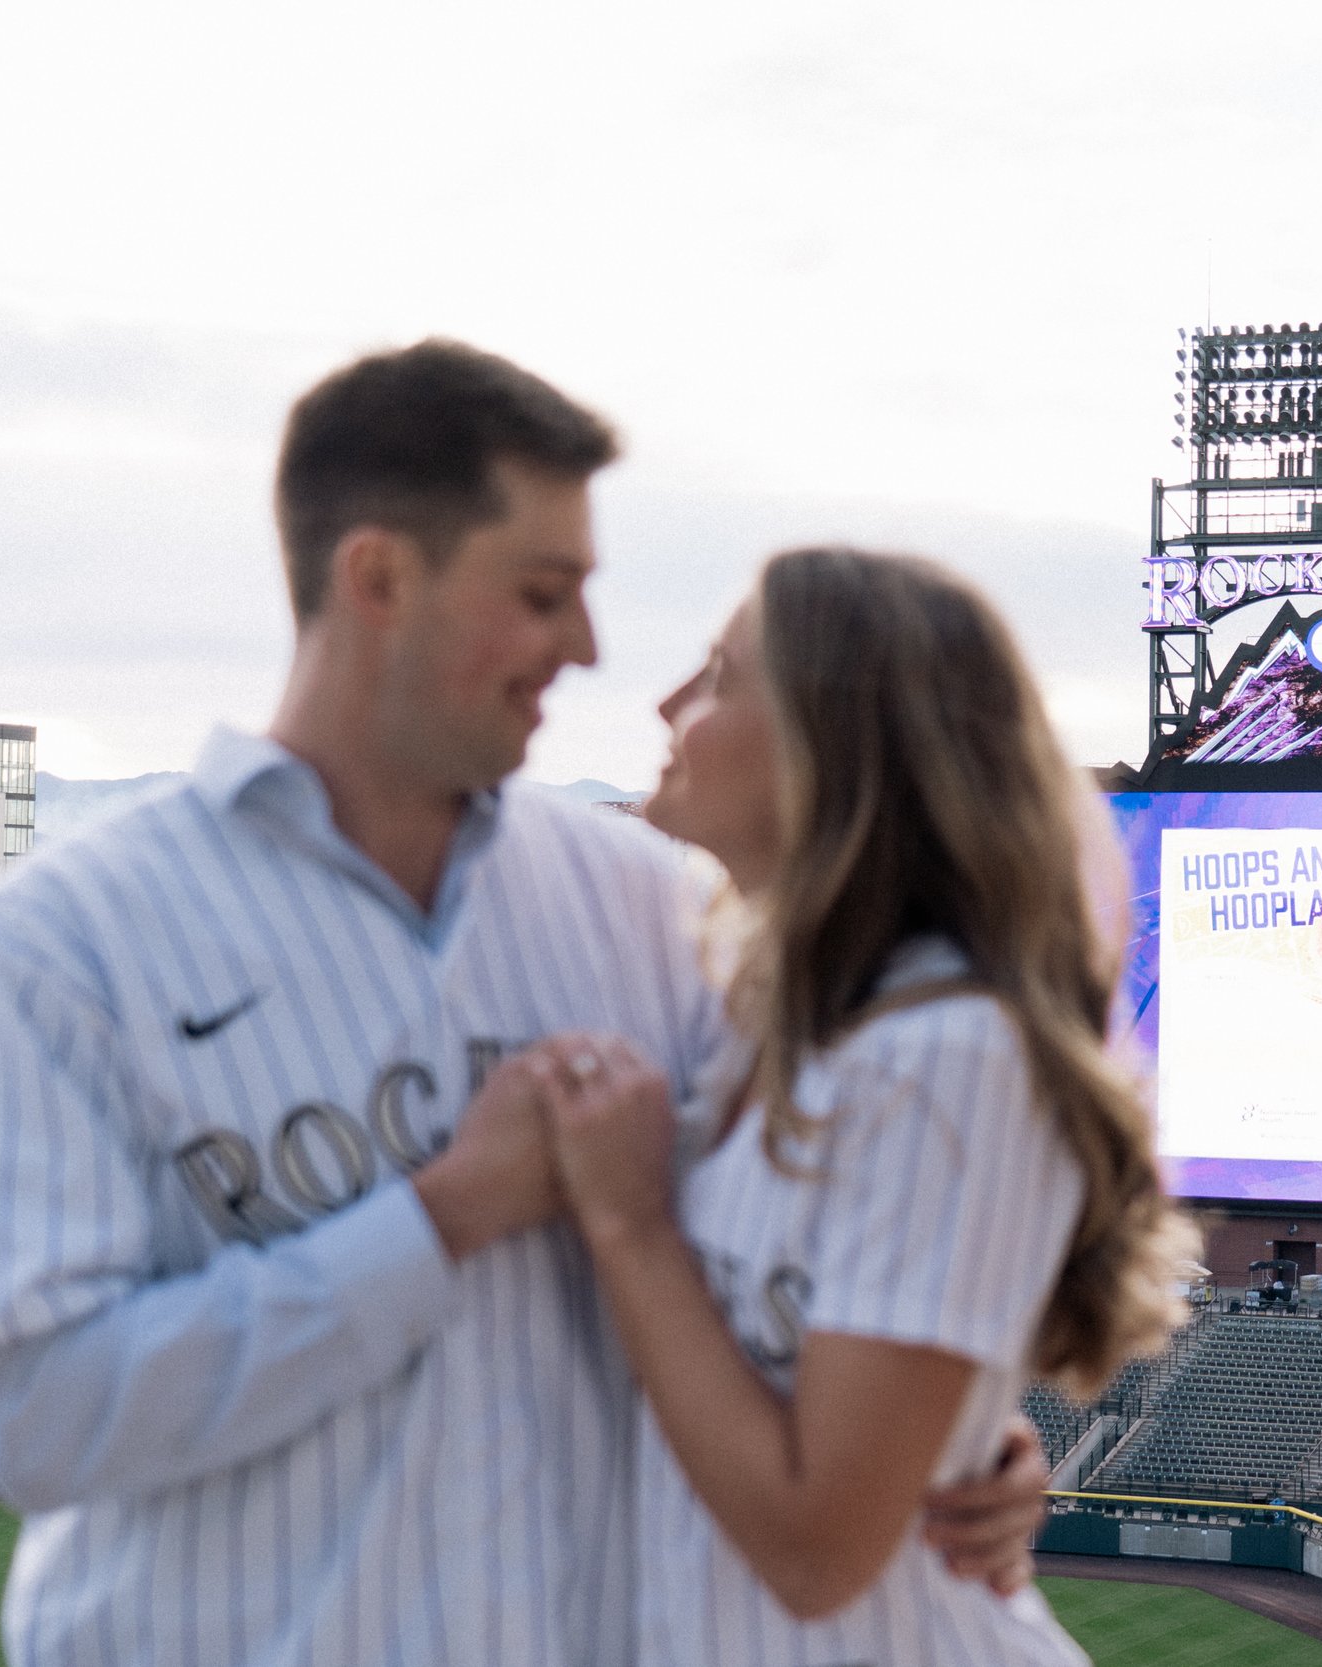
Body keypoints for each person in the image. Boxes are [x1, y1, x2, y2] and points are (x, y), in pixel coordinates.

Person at [0, 342, 1046, 1667]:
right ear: (379, 580)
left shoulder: (655, 902)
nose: (584, 649)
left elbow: (805, 1252)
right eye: (543, 594)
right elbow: (39, 1422)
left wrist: (962, 1439)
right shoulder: (65, 941)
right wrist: (441, 1214)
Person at [530, 547, 1194, 1663]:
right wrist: (945, 1432)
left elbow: (815, 1552)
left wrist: (629, 1222)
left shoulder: (949, 1052)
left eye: (719, 675)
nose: (664, 702)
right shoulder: (755, 1013)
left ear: (830, 748)